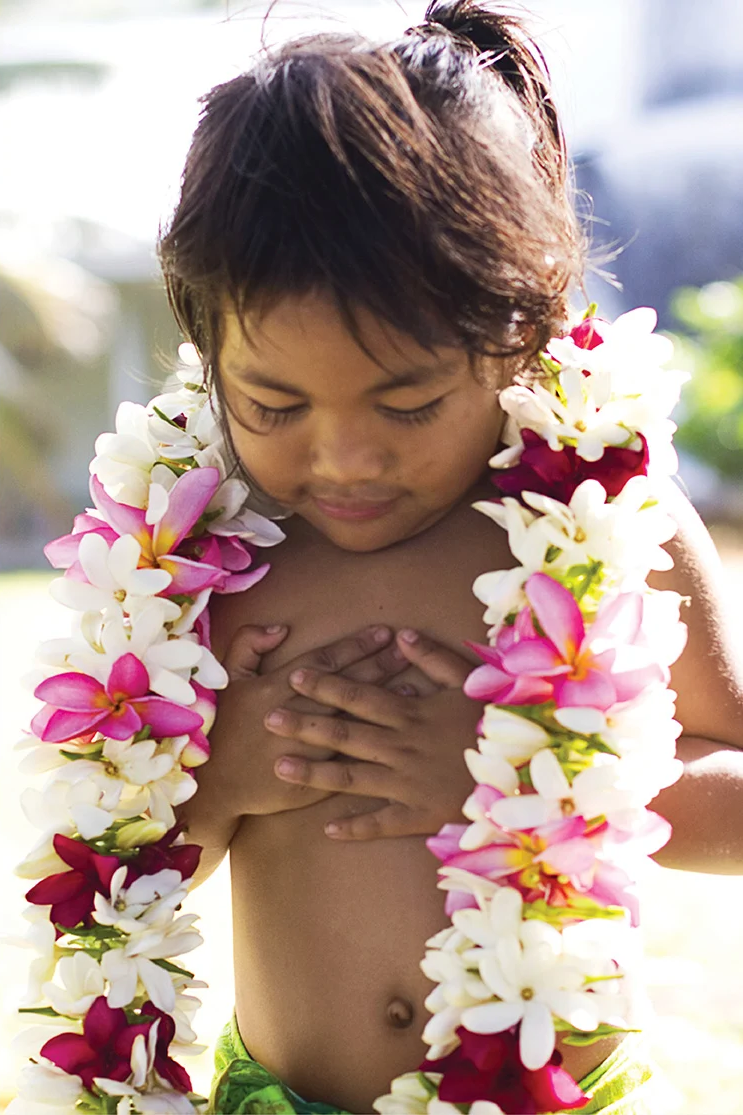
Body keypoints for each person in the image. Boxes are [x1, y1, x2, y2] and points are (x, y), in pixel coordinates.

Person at [163, 3, 743, 1112]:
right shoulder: (212, 562)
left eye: (410, 400)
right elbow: (122, 878)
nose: (344, 457)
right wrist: (221, 781)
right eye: (274, 404)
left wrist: (526, 780)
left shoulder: (611, 523)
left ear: (516, 332)